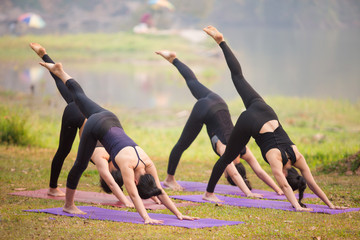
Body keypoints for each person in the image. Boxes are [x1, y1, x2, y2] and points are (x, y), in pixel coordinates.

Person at [34, 48, 198, 224]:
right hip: (94, 126)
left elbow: (158, 190)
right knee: (80, 164)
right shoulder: (127, 166)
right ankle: (68, 205)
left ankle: (62, 73)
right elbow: (133, 195)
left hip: (111, 118)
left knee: (80, 97)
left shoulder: (147, 161)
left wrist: (178, 214)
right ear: (136, 181)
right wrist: (146, 217)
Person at [202, 26, 347, 211]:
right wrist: (298, 206)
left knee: (238, 77)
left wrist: (331, 205)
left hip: (265, 111)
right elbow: (287, 186)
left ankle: (221, 41)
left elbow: (310, 182)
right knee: (227, 157)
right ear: (287, 174)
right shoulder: (276, 160)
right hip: (250, 121)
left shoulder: (297, 155)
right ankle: (208, 193)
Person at [156, 50, 283, 198]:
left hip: (219, 102)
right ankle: (169, 179)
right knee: (182, 144)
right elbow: (236, 174)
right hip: (205, 110)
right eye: (226, 173)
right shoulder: (226, 151)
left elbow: (259, 171)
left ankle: (174, 59)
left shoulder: (244, 149)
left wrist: (278, 189)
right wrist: (248, 193)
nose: (224, 172)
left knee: (193, 82)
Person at [30, 43, 135, 208]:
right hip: (77, 116)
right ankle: (52, 188)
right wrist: (126, 200)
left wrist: (129, 195)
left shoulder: (114, 154)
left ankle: (45, 56)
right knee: (63, 151)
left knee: (70, 89)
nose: (117, 165)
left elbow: (123, 177)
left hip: (84, 114)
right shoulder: (103, 157)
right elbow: (112, 181)